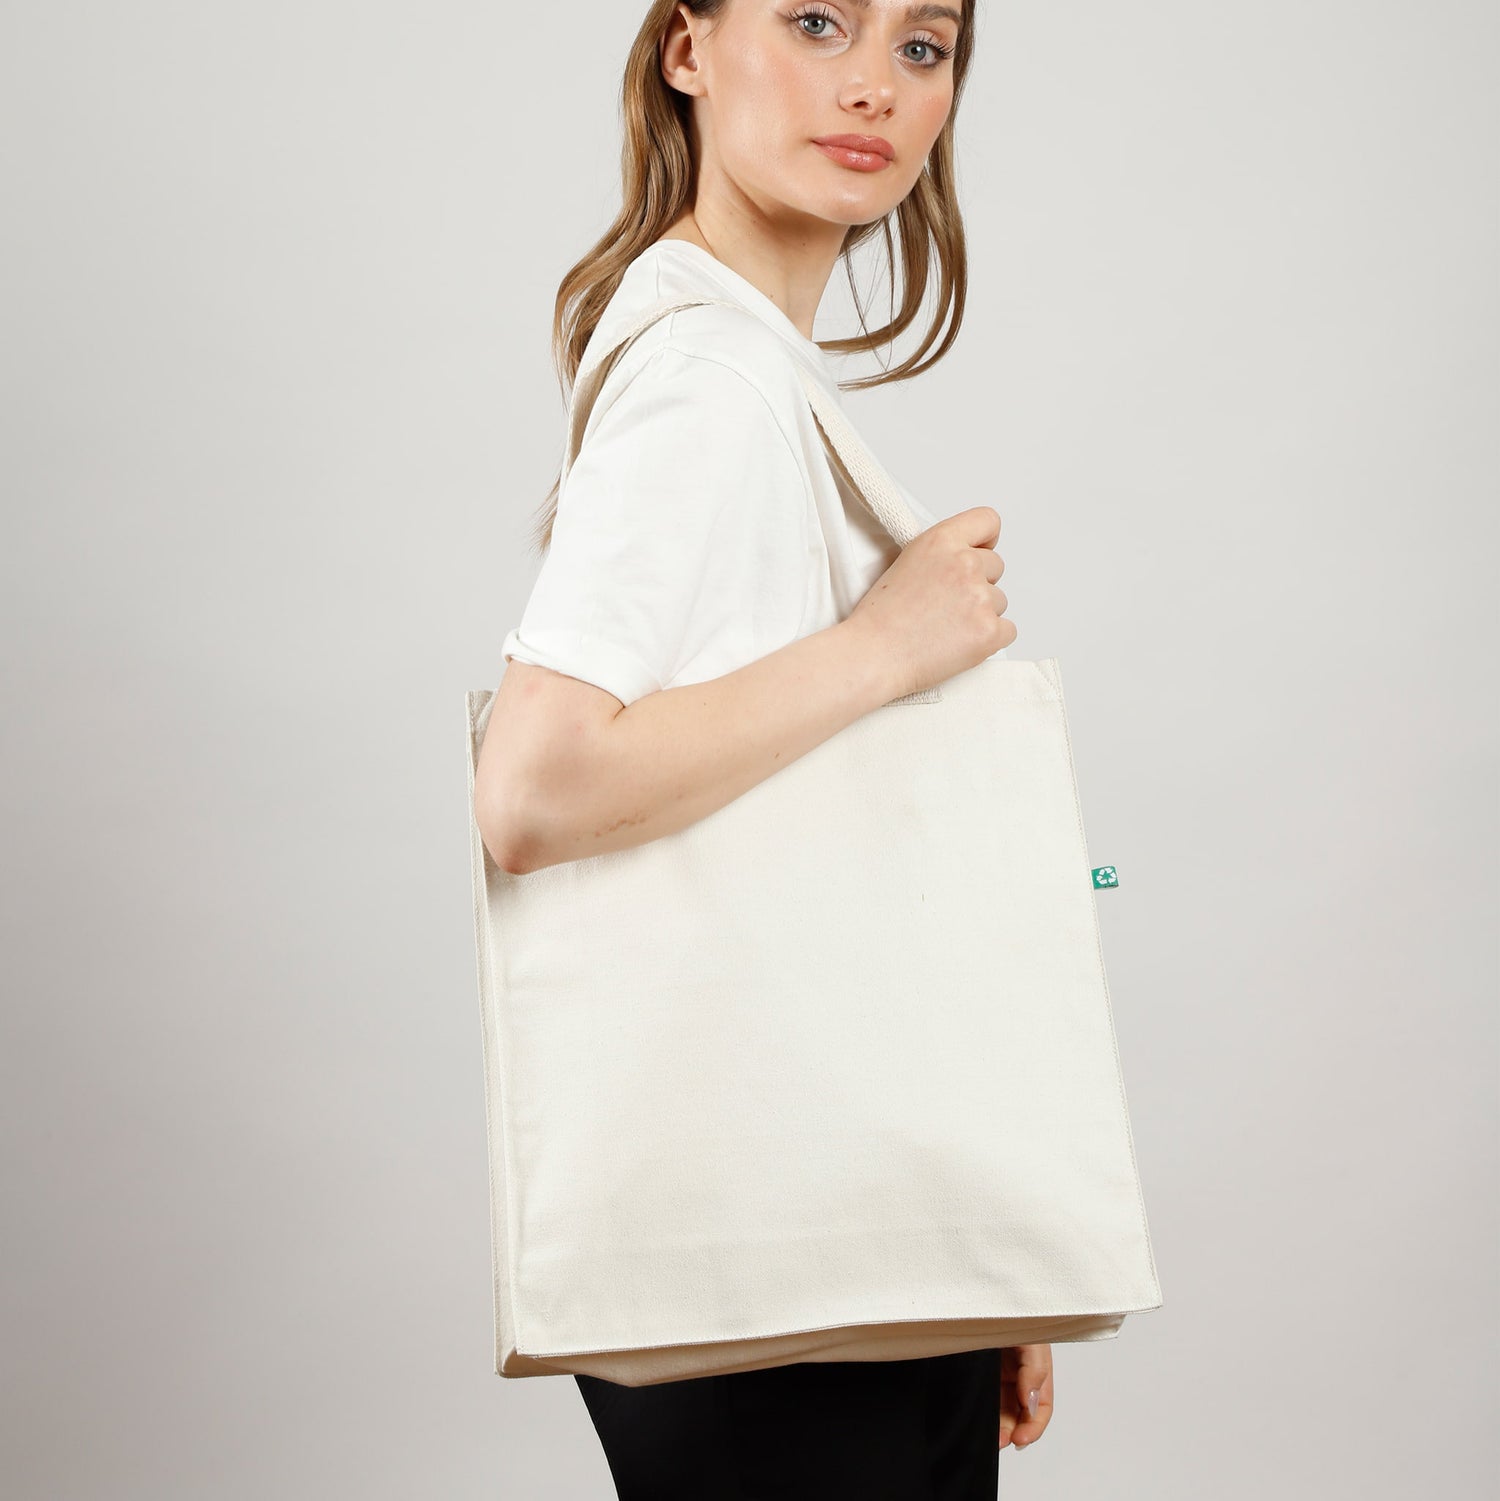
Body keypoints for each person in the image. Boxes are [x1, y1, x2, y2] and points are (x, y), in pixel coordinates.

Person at [474, 0, 1053, 1494]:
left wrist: (973, 1245)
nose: (874, 85)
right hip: (776, 1272)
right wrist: (887, 646)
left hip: (822, 1230)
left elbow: (821, 871)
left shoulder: (740, 362)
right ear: (687, 49)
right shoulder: (709, 378)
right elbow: (535, 786)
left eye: (922, 45)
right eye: (815, 22)